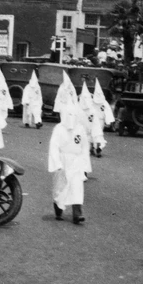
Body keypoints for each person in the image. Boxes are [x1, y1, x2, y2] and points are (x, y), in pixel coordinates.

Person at [48, 83, 91, 225]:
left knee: (77, 186)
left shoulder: (80, 129)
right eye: (69, 114)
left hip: (76, 161)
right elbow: (54, 147)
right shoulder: (59, 129)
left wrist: (85, 164)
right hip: (62, 160)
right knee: (60, 188)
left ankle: (77, 214)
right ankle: (58, 207)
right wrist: (57, 163)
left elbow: (84, 147)